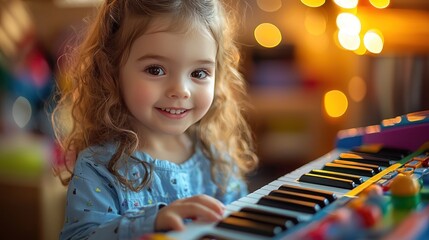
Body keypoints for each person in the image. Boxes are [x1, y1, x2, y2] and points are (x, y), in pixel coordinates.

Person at [51, 0, 258, 239]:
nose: (181, 90)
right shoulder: (98, 167)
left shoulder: (215, 159)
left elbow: (241, 225)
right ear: (112, 71)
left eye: (199, 73)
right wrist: (149, 222)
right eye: (156, 70)